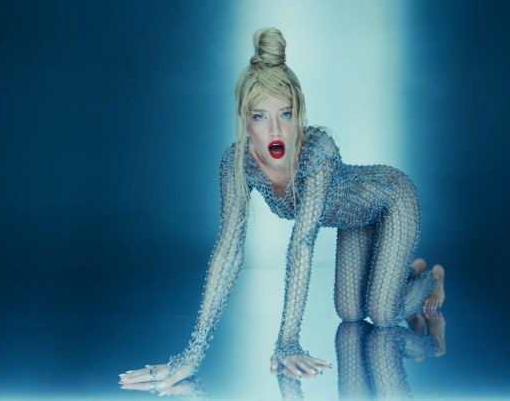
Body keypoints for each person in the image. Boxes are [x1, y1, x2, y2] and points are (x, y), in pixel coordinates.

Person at [119, 27, 445, 393]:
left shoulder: (317, 150)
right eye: (260, 116)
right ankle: (407, 271)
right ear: (244, 118)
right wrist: (192, 356)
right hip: (353, 220)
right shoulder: (237, 164)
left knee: (384, 315)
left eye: (285, 114)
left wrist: (287, 342)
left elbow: (302, 242)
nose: (275, 130)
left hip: (392, 199)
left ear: (299, 112)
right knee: (350, 313)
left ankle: (431, 278)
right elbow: (228, 251)